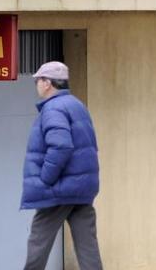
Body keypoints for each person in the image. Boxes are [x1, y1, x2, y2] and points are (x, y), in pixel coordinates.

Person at [21, 61, 102, 270]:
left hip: (59, 189)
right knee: (87, 247)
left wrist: (46, 179)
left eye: (38, 80)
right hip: (82, 188)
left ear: (47, 83)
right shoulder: (77, 105)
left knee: (38, 242)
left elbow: (61, 146)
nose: (37, 84)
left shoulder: (53, 108)